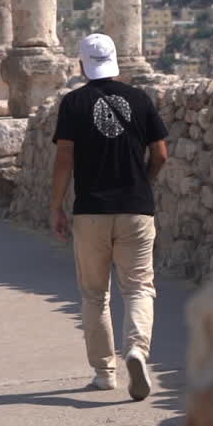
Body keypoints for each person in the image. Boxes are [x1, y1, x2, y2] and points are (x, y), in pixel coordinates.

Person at [50, 32, 169, 401]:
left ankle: (105, 373)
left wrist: (56, 205)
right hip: (136, 209)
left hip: (91, 212)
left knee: (94, 294)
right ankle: (137, 350)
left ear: (82, 63)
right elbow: (161, 154)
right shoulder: (140, 98)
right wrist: (143, 184)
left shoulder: (73, 103)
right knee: (138, 287)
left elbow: (65, 159)